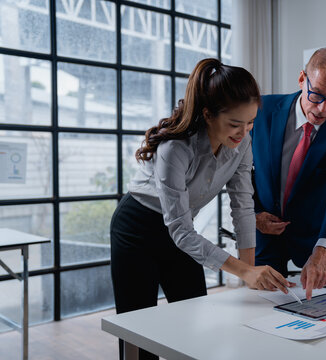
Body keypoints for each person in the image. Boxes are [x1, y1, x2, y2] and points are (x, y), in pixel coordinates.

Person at [110, 58, 293, 360]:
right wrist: (245, 270)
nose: (243, 132)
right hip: (137, 229)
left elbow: (243, 205)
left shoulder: (242, 143)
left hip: (181, 230)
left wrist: (251, 275)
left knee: (194, 323)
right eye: (235, 123)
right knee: (139, 330)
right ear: (208, 114)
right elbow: (181, 231)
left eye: (250, 123)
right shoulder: (175, 149)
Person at [252, 48, 326, 300]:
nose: (323, 109)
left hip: (318, 239)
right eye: (316, 95)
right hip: (264, 235)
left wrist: (325, 249)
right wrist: (252, 215)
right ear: (302, 79)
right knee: (258, 310)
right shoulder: (261, 110)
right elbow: (238, 171)